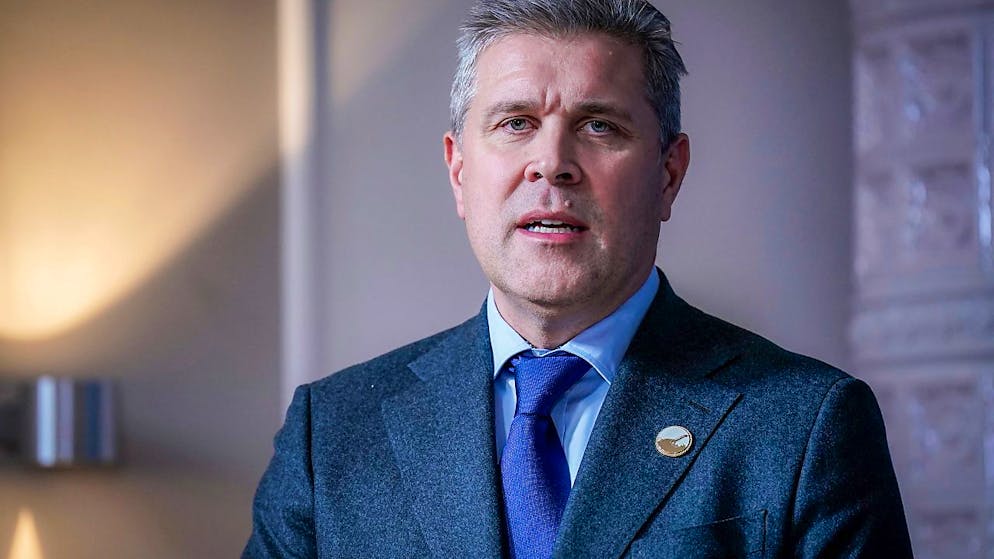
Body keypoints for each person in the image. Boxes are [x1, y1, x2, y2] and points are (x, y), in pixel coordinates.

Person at [244, 1, 913, 557]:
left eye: (599, 125)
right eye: (515, 124)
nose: (552, 163)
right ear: (458, 170)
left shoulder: (805, 425)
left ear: (668, 174)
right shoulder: (329, 435)